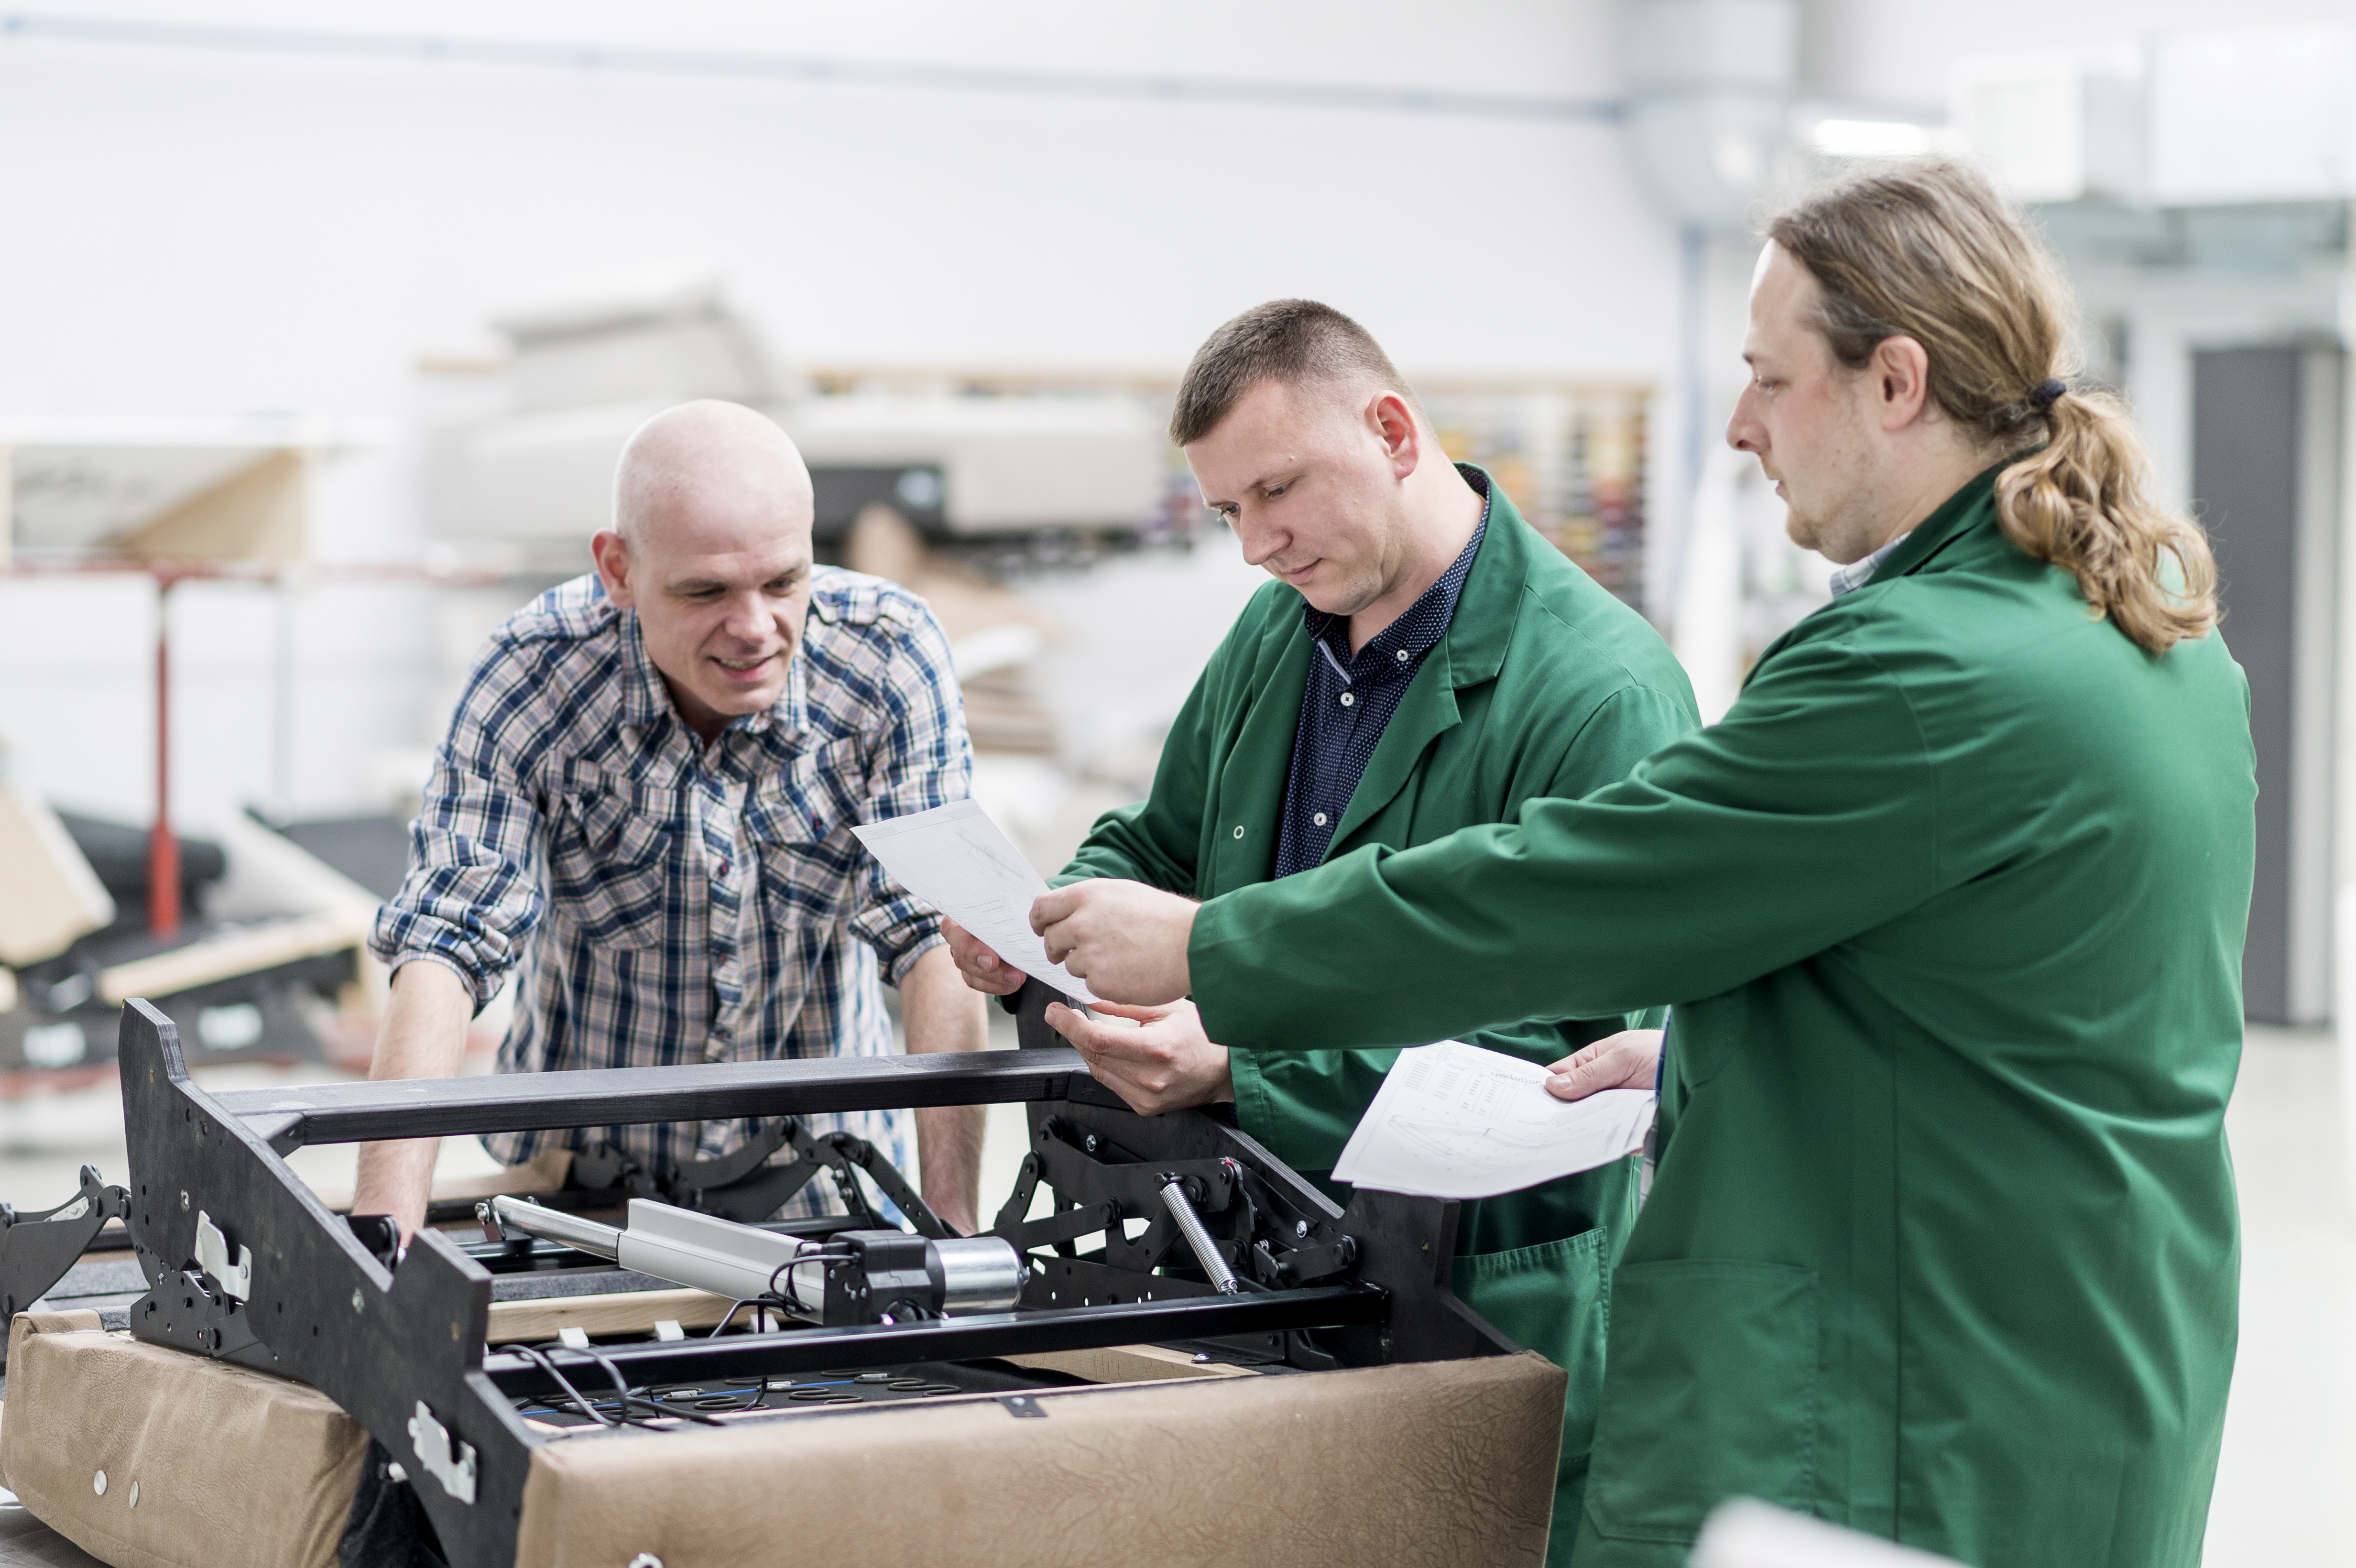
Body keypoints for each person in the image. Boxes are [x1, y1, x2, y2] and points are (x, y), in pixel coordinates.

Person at [1031, 162, 2253, 1568]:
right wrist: (1692, 1059)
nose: (1737, 426)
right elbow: (2005, 1005)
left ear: (1897, 382)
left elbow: (1569, 890)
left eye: (1768, 378)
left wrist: (1209, 956)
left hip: (1919, 1390)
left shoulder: (1913, 674)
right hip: (2081, 1351)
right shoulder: (2150, 629)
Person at [942, 299, 1698, 1561]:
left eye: (1276, 492)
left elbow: (1577, 1061)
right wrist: (1051, 923)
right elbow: (1156, 843)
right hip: (1257, 1260)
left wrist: (1249, 1066)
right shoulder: (1278, 640)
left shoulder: (1601, 695)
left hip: (1477, 1298)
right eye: (1228, 510)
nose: (1253, 545)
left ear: (1394, 431)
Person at [359, 400, 988, 1237]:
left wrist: (954, 1235)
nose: (755, 629)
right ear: (618, 569)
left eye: (783, 582)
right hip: (576, 1190)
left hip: (824, 1184)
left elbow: (937, 941)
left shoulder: (888, 659)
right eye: (706, 592)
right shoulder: (532, 678)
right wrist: (381, 1236)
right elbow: (446, 944)